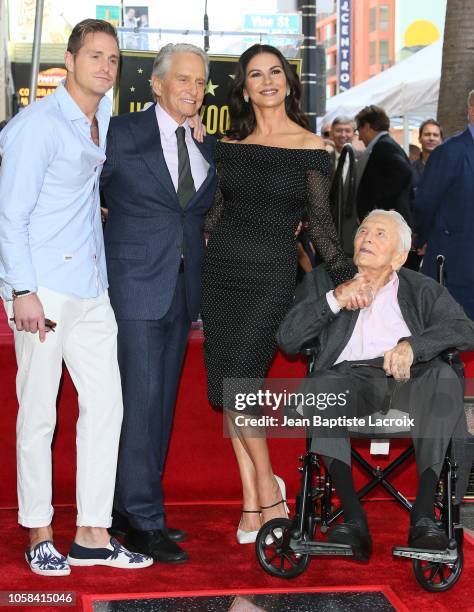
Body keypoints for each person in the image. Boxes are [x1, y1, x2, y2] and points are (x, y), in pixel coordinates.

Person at [0, 19, 152, 575]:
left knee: (106, 407)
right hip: (42, 289)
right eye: (95, 56)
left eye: (113, 58)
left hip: (92, 287)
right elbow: (9, 215)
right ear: (69, 59)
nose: (106, 67)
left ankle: (92, 533)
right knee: (38, 414)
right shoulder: (35, 126)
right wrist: (20, 291)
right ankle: (40, 531)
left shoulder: (102, 117)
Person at [201, 44, 353, 544]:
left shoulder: (313, 148)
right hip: (221, 271)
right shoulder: (228, 144)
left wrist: (350, 275)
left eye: (274, 73)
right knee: (229, 391)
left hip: (269, 276)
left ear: (288, 82)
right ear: (243, 87)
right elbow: (217, 211)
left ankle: (270, 494)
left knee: (241, 383)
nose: (266, 81)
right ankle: (251, 506)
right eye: (255, 75)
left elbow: (323, 230)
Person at [277, 210, 474, 560]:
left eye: (380, 233)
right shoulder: (326, 281)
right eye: (363, 231)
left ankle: (424, 516)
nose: (366, 237)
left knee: (443, 379)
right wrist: (336, 298)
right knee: (321, 389)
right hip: (348, 382)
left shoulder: (420, 288)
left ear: (399, 256)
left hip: (408, 382)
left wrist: (415, 346)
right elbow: (289, 339)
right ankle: (353, 521)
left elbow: (463, 329)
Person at [100, 43, 217, 564]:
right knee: (142, 403)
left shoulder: (203, 144)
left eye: (200, 81)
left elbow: (196, 213)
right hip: (133, 288)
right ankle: (143, 521)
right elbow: (84, 196)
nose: (192, 89)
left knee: (160, 405)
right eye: (183, 80)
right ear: (156, 83)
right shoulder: (119, 133)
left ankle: (129, 506)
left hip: (181, 291)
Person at [414, 91, 474, 320]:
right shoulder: (449, 152)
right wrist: (424, 237)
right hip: (456, 264)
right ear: (471, 111)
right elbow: (426, 202)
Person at [354, 105, 413, 227]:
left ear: (367, 126)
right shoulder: (386, 144)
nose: (359, 137)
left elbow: (404, 172)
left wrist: (380, 205)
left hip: (387, 221)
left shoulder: (383, 146)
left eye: (358, 130)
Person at [411, 119, 443, 191]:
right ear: (419, 139)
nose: (431, 138)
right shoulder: (410, 170)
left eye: (435, 135)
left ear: (441, 140)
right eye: (427, 134)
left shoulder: (452, 168)